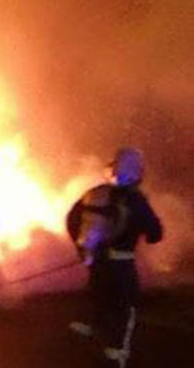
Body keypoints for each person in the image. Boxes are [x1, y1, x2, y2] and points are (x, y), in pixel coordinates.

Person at [66, 147, 163, 368]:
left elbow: (72, 218)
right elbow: (156, 234)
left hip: (97, 263)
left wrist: (82, 248)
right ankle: (116, 353)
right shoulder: (135, 200)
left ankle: (81, 345)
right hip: (122, 266)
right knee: (125, 308)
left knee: (98, 299)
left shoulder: (96, 193)